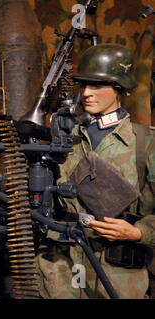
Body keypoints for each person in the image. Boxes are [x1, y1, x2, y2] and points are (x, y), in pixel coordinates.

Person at [36, 43, 154, 299]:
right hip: (62, 267)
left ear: (119, 87)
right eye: (83, 84)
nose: (87, 93)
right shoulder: (65, 138)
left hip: (117, 273)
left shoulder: (146, 144)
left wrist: (138, 232)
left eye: (97, 85)